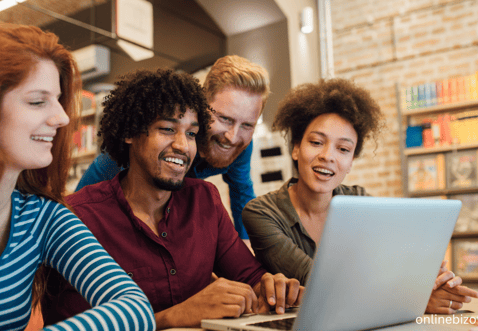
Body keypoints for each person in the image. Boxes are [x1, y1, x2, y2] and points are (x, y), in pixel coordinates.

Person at [41, 68, 303, 329]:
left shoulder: (205, 201)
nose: (182, 145)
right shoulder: (74, 217)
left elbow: (250, 275)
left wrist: (272, 287)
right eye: (167, 129)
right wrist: (173, 316)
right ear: (130, 132)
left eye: (191, 133)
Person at [242, 78, 478, 314]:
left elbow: (390, 267)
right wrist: (411, 297)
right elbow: (316, 282)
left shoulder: (361, 201)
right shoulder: (261, 213)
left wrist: (428, 284)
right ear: (296, 148)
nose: (328, 156)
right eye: (316, 142)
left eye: (343, 149)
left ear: (351, 161)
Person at [0, 23, 156, 330]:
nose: (62, 117)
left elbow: (135, 308)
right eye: (37, 101)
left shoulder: (41, 216)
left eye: (58, 99)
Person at [74, 55, 270, 241]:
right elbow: (80, 203)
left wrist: (247, 245)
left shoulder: (240, 146)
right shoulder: (146, 143)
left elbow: (242, 191)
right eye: (225, 119)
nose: (233, 137)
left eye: (247, 125)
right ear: (200, 106)